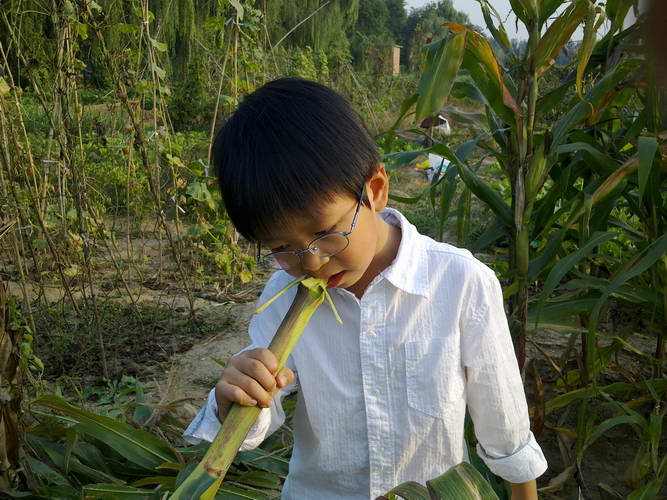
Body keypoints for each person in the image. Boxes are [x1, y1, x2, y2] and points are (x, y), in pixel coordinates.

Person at [184, 77, 547, 499]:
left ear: (374, 190)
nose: (312, 263)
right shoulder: (283, 294)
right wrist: (238, 397)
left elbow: (508, 436)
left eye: (327, 232)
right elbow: (267, 410)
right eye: (283, 248)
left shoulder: (461, 284)